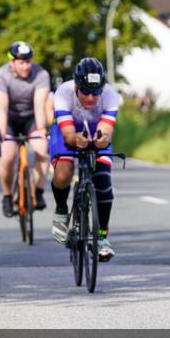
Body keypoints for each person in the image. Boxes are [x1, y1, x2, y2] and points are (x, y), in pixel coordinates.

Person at [49, 58, 120, 261]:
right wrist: (75, 140)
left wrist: (99, 141)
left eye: (95, 92)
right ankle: (61, 208)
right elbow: (69, 135)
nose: (90, 97)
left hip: (95, 130)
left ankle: (102, 237)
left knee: (103, 182)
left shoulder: (110, 95)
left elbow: (105, 132)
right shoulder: (63, 93)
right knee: (63, 172)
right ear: (76, 86)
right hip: (67, 130)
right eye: (85, 92)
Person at [0, 40, 50, 217]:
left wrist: (41, 129)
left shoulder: (41, 74)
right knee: (8, 156)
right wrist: (2, 134)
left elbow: (39, 106)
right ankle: (7, 196)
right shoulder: (1, 76)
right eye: (21, 62)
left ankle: (38, 191)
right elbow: (1, 109)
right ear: (12, 62)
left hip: (31, 118)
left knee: (42, 150)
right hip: (8, 118)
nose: (26, 66)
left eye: (29, 61)